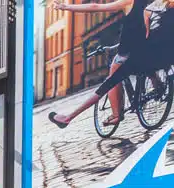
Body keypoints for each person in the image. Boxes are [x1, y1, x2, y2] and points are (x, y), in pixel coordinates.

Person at [49, 0, 169, 129]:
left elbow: (96, 6)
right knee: (145, 62)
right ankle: (158, 87)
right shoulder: (159, 2)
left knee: (113, 74)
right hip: (152, 50)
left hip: (128, 52)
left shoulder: (130, 2)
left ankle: (116, 114)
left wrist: (66, 7)